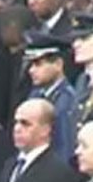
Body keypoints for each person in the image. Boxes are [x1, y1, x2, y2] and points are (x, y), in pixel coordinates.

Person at [23, 34, 77, 164]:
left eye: (38, 64)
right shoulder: (35, 95)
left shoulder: (65, 100)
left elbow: (64, 147)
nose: (31, 70)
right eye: (31, 65)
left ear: (58, 64)